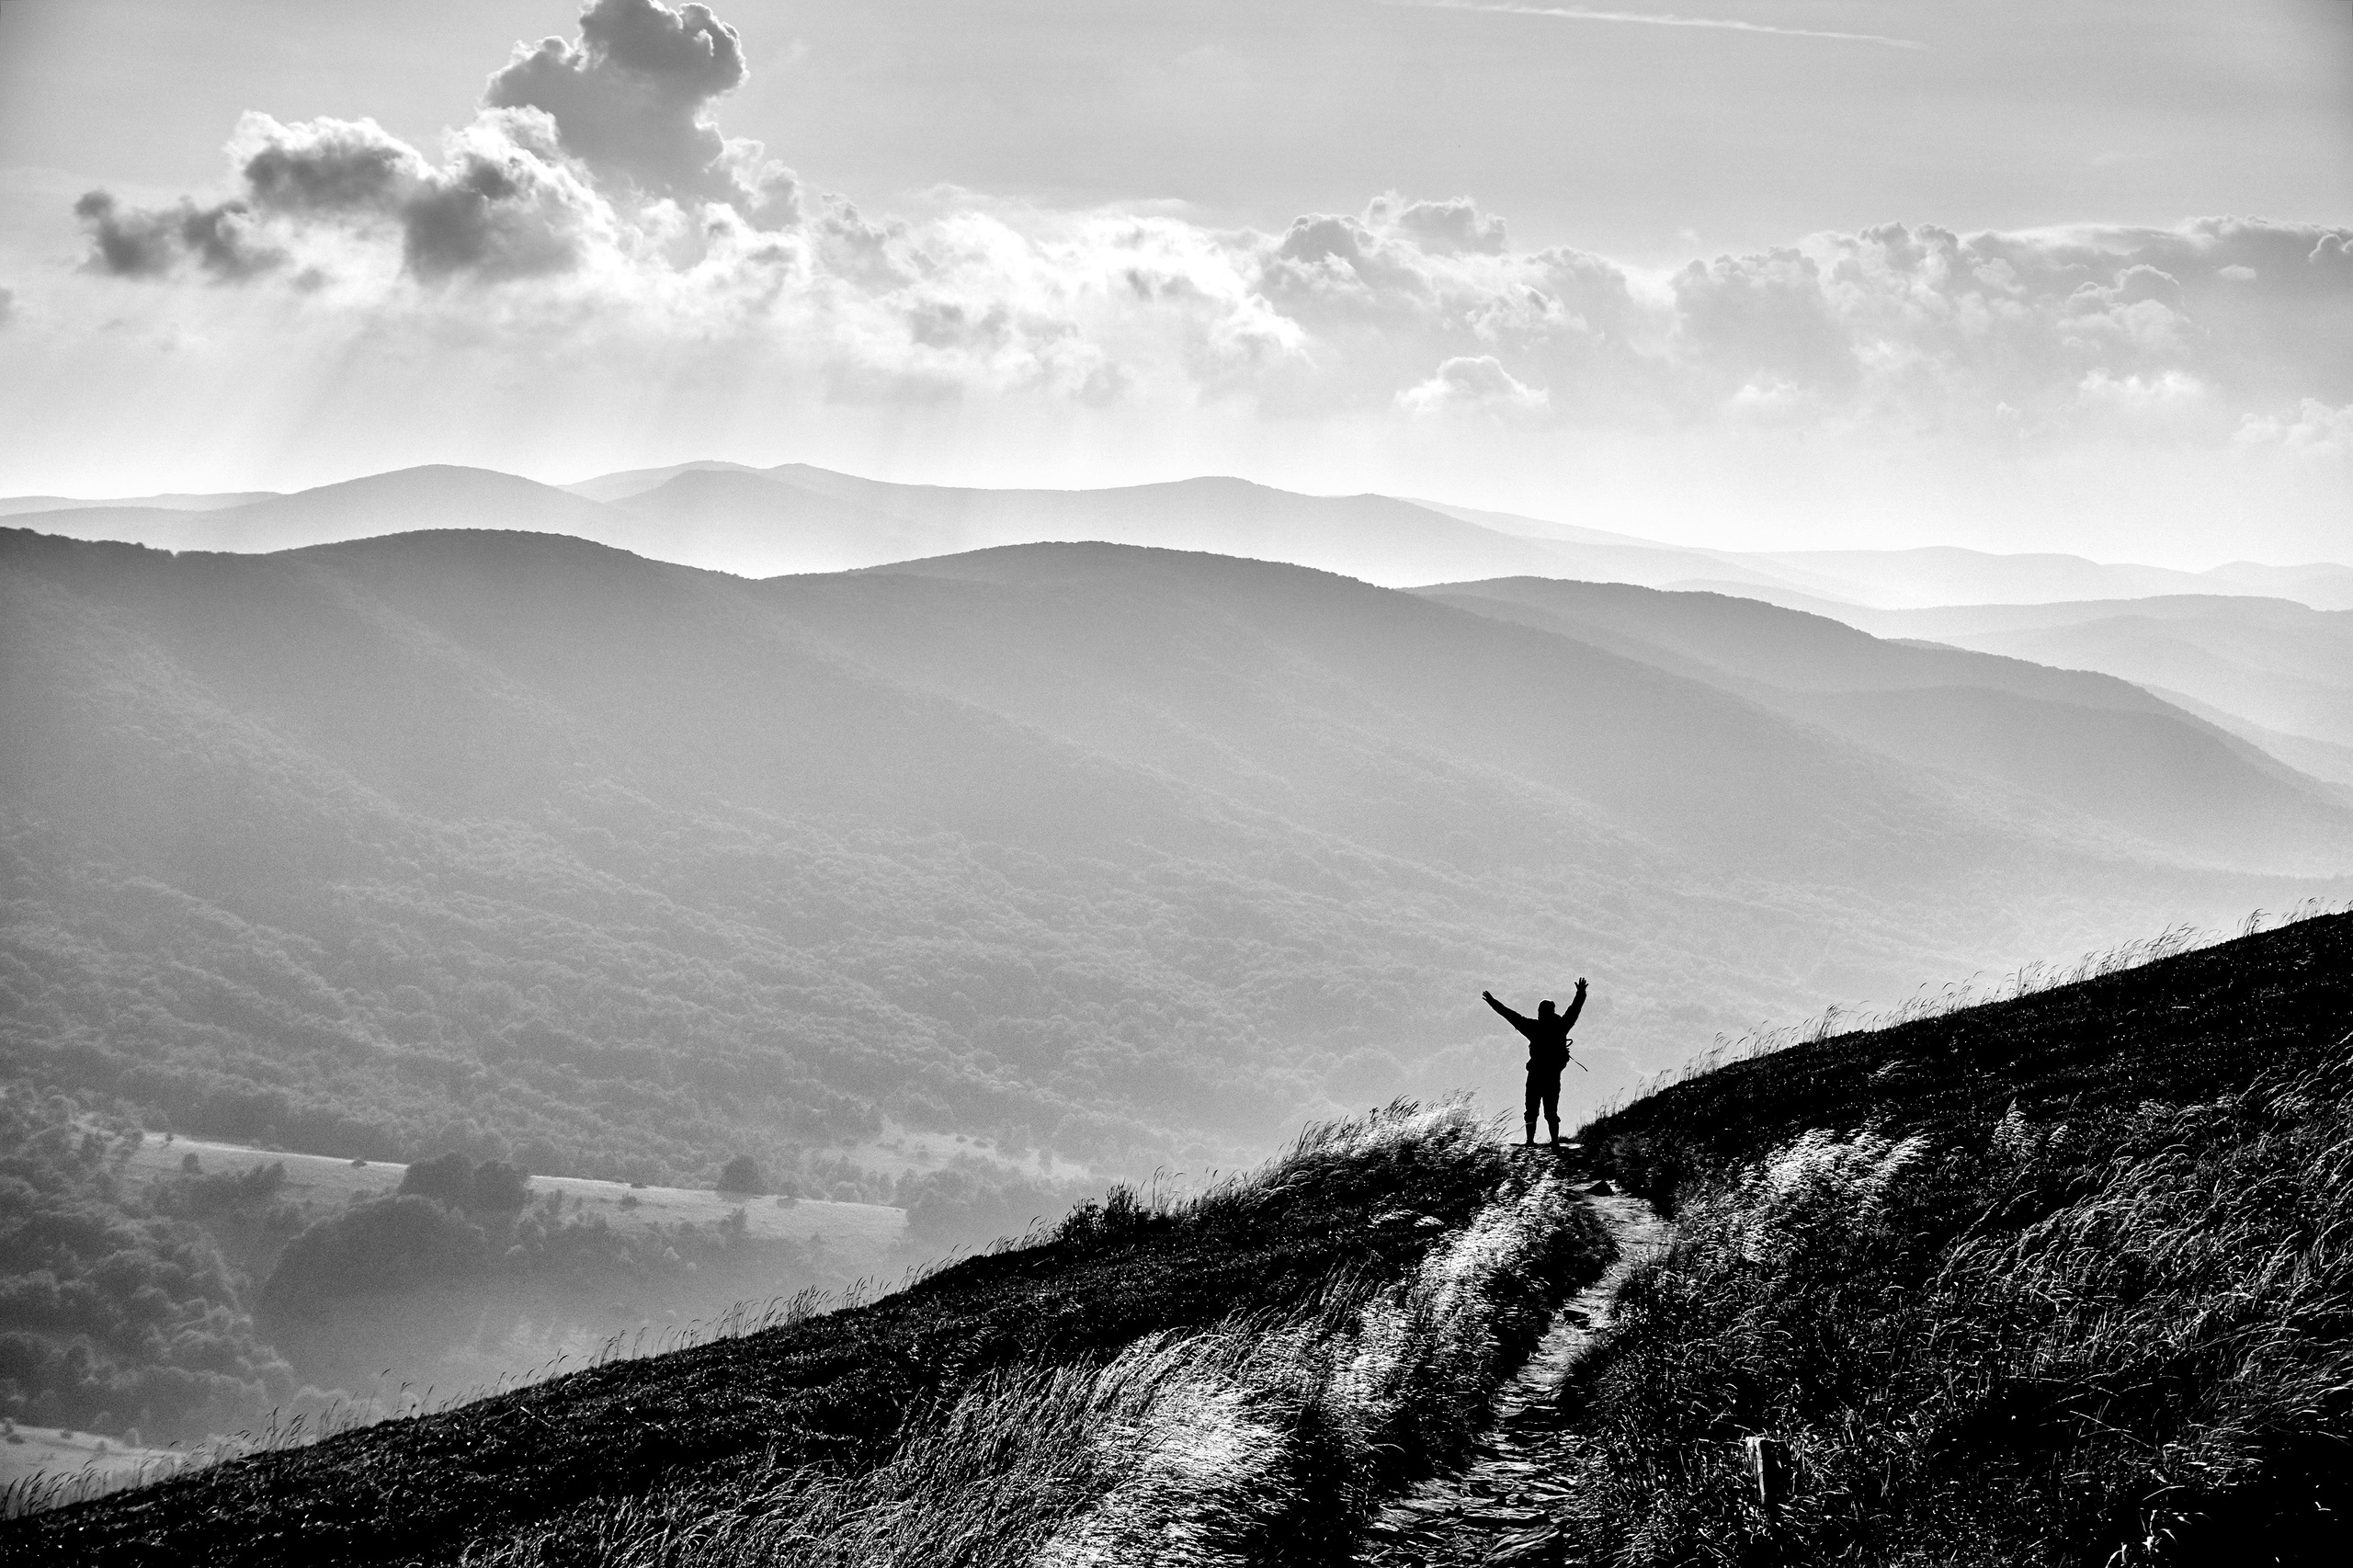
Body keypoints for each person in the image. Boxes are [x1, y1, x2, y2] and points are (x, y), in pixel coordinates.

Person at [1483, 979, 1586, 1147]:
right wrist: (1581, 992)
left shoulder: (1533, 1027)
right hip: (1553, 1075)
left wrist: (1493, 1002)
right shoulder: (1561, 1027)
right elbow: (1574, 1010)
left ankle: (1530, 1141)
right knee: (1550, 1110)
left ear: (1541, 1013)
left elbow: (1510, 1015)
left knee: (1531, 1110)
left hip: (1536, 1075)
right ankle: (1554, 1142)